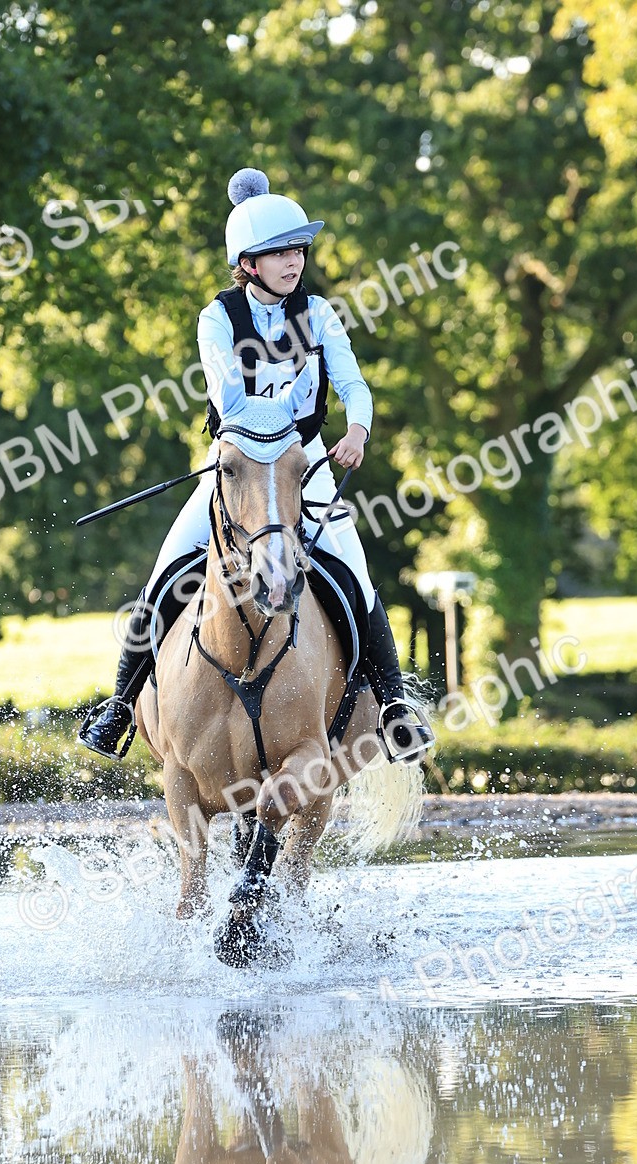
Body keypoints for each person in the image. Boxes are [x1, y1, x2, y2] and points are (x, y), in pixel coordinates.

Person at [79, 167, 433, 764]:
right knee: (164, 575)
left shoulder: (319, 313)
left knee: (356, 575)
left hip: (304, 464)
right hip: (238, 465)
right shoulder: (216, 318)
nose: (294, 261)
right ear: (247, 263)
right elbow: (229, 399)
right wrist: (265, 434)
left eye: (298, 250)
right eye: (279, 252)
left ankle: (394, 707)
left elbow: (354, 384)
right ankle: (118, 704)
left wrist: (357, 429)